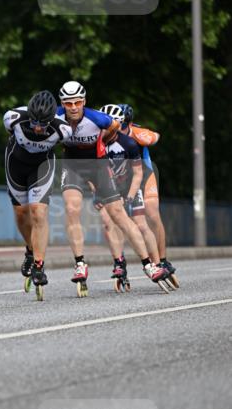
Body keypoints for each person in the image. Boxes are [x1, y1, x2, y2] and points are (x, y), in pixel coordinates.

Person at [57, 80, 170, 294]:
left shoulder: (97, 118)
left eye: (77, 102)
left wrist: (100, 145)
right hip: (72, 166)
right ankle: (80, 263)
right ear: (62, 103)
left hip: (97, 165)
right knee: (72, 209)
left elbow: (115, 128)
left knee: (119, 215)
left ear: (84, 101)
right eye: (68, 103)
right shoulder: (55, 116)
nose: (73, 107)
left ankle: (149, 264)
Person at [3, 90, 73, 297]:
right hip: (15, 164)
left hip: (41, 167)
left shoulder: (63, 129)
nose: (38, 127)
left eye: (44, 123)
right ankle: (30, 250)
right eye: (34, 122)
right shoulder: (13, 117)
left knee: (38, 212)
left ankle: (39, 266)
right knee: (21, 213)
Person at [96, 104, 165, 290]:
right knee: (108, 221)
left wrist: (131, 195)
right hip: (112, 185)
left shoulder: (131, 141)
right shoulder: (95, 143)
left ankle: (159, 263)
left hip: (135, 182)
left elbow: (138, 174)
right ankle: (119, 263)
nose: (106, 131)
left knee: (143, 222)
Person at [118, 103, 178, 283]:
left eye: (123, 126)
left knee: (151, 213)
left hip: (144, 175)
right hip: (122, 179)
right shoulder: (107, 134)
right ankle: (120, 263)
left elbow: (156, 136)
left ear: (129, 123)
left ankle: (163, 260)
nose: (119, 130)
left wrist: (146, 137)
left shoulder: (136, 132)